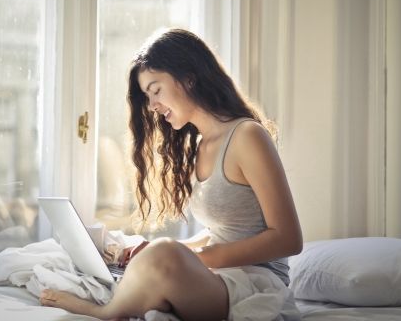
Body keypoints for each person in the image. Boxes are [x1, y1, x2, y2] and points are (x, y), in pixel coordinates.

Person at [40, 28, 303, 321]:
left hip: (256, 288)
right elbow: (225, 232)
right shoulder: (202, 146)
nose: (152, 106)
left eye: (155, 90)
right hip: (216, 279)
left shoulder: (248, 136)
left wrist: (189, 259)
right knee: (145, 248)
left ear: (188, 77)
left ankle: (105, 312)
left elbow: (288, 239)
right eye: (147, 96)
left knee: (165, 254)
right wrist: (167, 252)